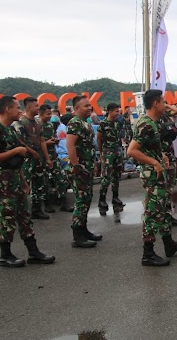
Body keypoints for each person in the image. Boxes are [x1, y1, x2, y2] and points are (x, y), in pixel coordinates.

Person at [0, 96, 55, 268]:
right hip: (3, 179)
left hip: (15, 177)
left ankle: (33, 252)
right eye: (17, 108)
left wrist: (24, 181)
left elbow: (18, 160)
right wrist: (17, 150)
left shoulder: (10, 130)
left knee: (25, 216)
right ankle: (5, 255)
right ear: (8, 109)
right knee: (7, 218)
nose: (20, 111)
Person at [127, 90, 177, 267]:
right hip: (152, 175)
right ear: (156, 103)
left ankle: (169, 244)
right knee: (152, 212)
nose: (165, 105)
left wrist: (160, 154)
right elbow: (131, 150)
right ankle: (148, 253)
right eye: (163, 102)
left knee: (161, 209)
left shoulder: (153, 123)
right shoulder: (145, 124)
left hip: (158, 173)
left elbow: (148, 146)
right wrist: (154, 161)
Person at [66, 95, 102, 248]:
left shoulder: (84, 123)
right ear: (76, 108)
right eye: (86, 106)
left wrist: (93, 164)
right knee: (81, 201)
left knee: (87, 199)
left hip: (86, 166)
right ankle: (77, 236)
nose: (89, 108)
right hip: (79, 168)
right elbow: (70, 145)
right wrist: (76, 166)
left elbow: (88, 147)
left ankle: (84, 229)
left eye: (90, 105)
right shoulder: (74, 123)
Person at [12, 97, 52, 219]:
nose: (38, 108)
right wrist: (32, 151)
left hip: (38, 158)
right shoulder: (20, 123)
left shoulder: (38, 123)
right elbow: (19, 141)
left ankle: (36, 210)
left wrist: (47, 158)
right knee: (22, 185)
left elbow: (42, 141)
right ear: (29, 107)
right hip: (26, 159)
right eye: (36, 106)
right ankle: (19, 211)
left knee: (39, 184)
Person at [40, 104, 72, 212]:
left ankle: (63, 202)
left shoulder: (50, 126)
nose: (50, 116)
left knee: (61, 179)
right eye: (47, 114)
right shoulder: (37, 127)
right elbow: (33, 144)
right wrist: (46, 143)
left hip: (53, 156)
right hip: (42, 158)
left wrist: (54, 140)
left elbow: (54, 137)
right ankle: (47, 204)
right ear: (41, 114)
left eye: (50, 113)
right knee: (44, 182)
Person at [97, 103, 125, 215]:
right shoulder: (103, 123)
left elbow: (119, 137)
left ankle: (115, 197)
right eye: (116, 111)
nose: (117, 113)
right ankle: (102, 199)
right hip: (107, 151)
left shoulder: (118, 122)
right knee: (106, 177)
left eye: (118, 111)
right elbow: (99, 139)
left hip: (117, 150)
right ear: (109, 111)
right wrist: (101, 152)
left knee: (116, 175)